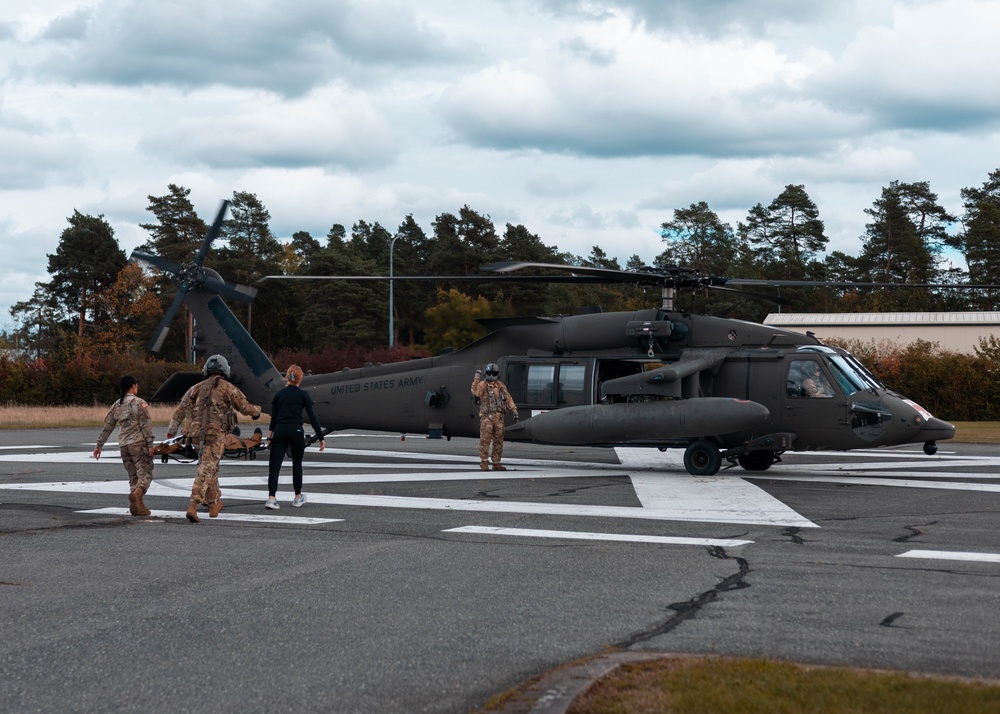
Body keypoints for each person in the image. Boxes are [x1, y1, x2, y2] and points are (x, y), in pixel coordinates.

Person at [165, 354, 262, 523]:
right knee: (206, 469)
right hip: (215, 435)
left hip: (195, 436)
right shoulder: (227, 388)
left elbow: (180, 410)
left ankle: (214, 504)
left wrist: (171, 432)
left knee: (210, 467)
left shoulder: (195, 388)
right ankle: (193, 506)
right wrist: (257, 411)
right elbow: (245, 407)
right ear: (225, 370)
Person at [265, 364, 326, 509]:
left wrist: (269, 438)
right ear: (300, 378)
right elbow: (313, 417)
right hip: (296, 431)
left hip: (280, 430)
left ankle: (271, 497)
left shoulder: (279, 395)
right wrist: (321, 437)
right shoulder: (303, 395)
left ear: (287, 377)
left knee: (274, 465)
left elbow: (273, 418)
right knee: (297, 464)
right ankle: (298, 496)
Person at [93, 376, 155, 516]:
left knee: (133, 476)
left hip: (124, 446)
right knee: (145, 474)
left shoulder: (116, 405)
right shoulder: (139, 403)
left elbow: (107, 427)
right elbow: (146, 425)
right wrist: (150, 444)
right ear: (133, 386)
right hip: (138, 444)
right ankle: (138, 493)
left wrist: (99, 446)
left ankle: (139, 507)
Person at [471, 362, 518, 471]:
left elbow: (508, 398)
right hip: (487, 418)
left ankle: (496, 462)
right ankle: (484, 462)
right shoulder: (482, 385)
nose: (491, 375)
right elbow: (476, 392)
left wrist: (514, 410)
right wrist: (476, 377)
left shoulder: (501, 386)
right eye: (490, 373)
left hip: (499, 417)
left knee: (499, 441)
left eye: (494, 373)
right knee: (485, 441)